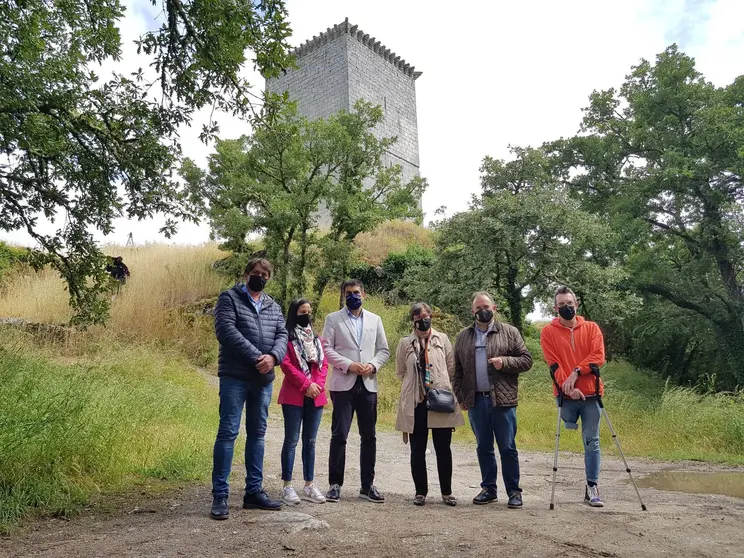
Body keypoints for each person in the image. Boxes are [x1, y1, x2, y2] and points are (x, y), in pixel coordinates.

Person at [210, 258, 289, 520]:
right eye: (255, 273)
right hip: (235, 376)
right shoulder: (228, 298)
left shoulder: (273, 305)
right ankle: (220, 495)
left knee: (258, 434)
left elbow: (282, 335)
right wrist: (260, 358)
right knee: (228, 433)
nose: (260, 277)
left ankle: (253, 492)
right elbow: (226, 331)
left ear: (269, 277)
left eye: (265, 274)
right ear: (246, 274)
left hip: (263, 380)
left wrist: (274, 358)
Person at [453, 291, 533, 509]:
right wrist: (461, 397)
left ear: (494, 308)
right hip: (476, 401)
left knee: (507, 447)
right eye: (478, 308)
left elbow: (526, 360)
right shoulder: (463, 337)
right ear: (472, 312)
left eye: (486, 306)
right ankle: (489, 489)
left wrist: (504, 362)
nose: (482, 311)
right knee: (484, 447)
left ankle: (514, 492)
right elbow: (457, 370)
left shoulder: (509, 332)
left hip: (503, 401)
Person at [322, 279, 390, 503]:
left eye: (357, 292)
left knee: (369, 436)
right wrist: (348, 364)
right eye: (349, 292)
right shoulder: (333, 319)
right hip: (343, 383)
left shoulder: (375, 319)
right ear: (343, 295)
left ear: (364, 294)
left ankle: (367, 486)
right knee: (339, 434)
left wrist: (373, 365)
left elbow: (383, 350)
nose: (353, 296)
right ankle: (335, 484)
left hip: (368, 383)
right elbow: (326, 348)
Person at [539, 286, 607, 507]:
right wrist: (568, 386)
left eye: (569, 303)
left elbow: (598, 356)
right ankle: (571, 421)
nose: (566, 307)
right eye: (561, 305)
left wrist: (576, 372)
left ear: (576, 304)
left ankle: (592, 486)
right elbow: (553, 364)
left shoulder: (592, 328)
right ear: (555, 307)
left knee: (592, 441)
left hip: (591, 394)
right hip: (566, 397)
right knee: (569, 424)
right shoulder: (548, 332)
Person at [395, 302, 464, 506]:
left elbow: (451, 368)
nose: (423, 321)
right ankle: (420, 492)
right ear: (413, 321)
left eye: (426, 316)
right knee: (417, 449)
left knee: (443, 448)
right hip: (416, 401)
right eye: (418, 318)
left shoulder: (442, 339)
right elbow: (400, 371)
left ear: (431, 316)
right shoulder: (405, 343)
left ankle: (447, 492)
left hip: (440, 399)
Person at [277, 298, 329, 505]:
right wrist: (306, 385)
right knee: (291, 440)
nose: (306, 315)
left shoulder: (316, 338)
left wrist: (316, 386)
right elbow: (286, 364)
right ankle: (287, 486)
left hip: (316, 395)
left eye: (309, 311)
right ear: (294, 314)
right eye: (302, 312)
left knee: (311, 441)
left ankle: (309, 484)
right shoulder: (286, 338)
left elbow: (323, 365)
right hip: (294, 394)